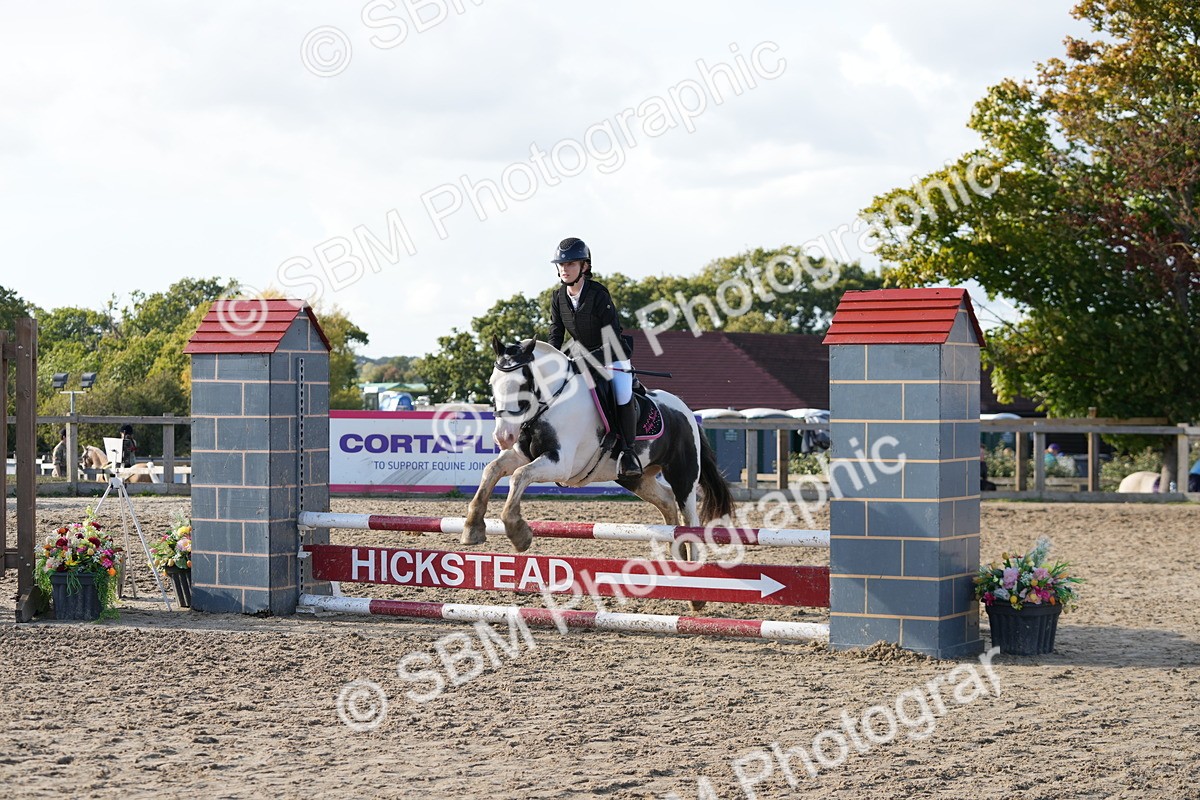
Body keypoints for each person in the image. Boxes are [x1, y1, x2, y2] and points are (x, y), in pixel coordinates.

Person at [546, 237, 641, 479]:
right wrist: (550, 363)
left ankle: (629, 453)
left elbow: (613, 340)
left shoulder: (599, 294)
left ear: (584, 267)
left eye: (570, 265)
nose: (564, 269)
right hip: (580, 357)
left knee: (622, 393)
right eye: (561, 265)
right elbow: (556, 334)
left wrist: (584, 360)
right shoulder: (558, 297)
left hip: (613, 355)